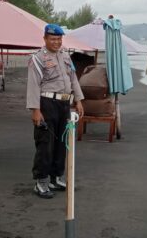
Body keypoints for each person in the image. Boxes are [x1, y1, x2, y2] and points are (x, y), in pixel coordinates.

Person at [26, 24, 85, 199]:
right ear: (45, 39)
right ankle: (41, 181)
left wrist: (79, 100)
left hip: (64, 104)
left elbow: (73, 78)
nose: (56, 42)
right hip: (46, 103)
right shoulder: (38, 58)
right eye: (53, 39)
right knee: (45, 143)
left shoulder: (66, 56)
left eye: (59, 39)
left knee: (62, 142)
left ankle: (56, 177)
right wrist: (35, 110)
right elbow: (33, 85)